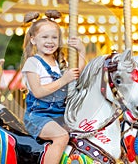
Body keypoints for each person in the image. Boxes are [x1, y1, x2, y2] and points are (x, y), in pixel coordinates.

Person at [21, 10, 86, 164]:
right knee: (61, 136)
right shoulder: (33, 63)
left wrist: (81, 50)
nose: (50, 41)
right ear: (33, 40)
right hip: (37, 117)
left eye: (54, 37)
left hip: (59, 115)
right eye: (45, 37)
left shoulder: (58, 64)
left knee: (83, 131)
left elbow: (78, 73)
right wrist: (64, 80)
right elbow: (37, 92)